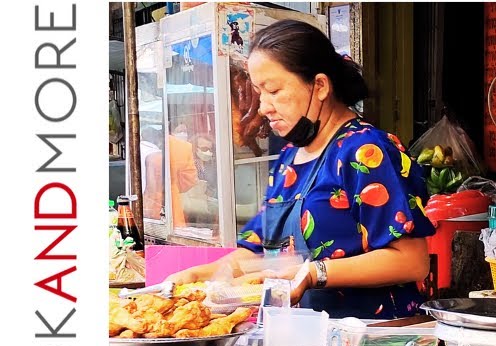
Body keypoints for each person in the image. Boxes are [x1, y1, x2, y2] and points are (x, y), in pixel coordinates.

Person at [167, 20, 434, 319]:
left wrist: (313, 273)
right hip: (304, 337)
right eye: (259, 93)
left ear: (319, 86)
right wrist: (198, 276)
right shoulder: (288, 159)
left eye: (274, 91)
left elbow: (411, 261)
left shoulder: (365, 152)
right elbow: (257, 250)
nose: (264, 107)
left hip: (373, 340)